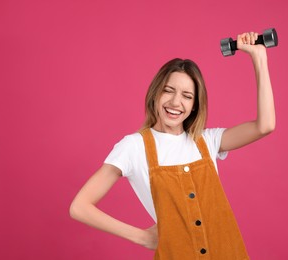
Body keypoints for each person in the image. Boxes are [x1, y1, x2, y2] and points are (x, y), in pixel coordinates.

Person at [70, 31, 276, 259]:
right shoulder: (133, 147)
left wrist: (259, 57)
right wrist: (140, 236)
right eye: (169, 91)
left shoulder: (207, 141)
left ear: (195, 105)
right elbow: (79, 207)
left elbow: (264, 126)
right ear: (155, 93)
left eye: (187, 96)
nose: (176, 102)